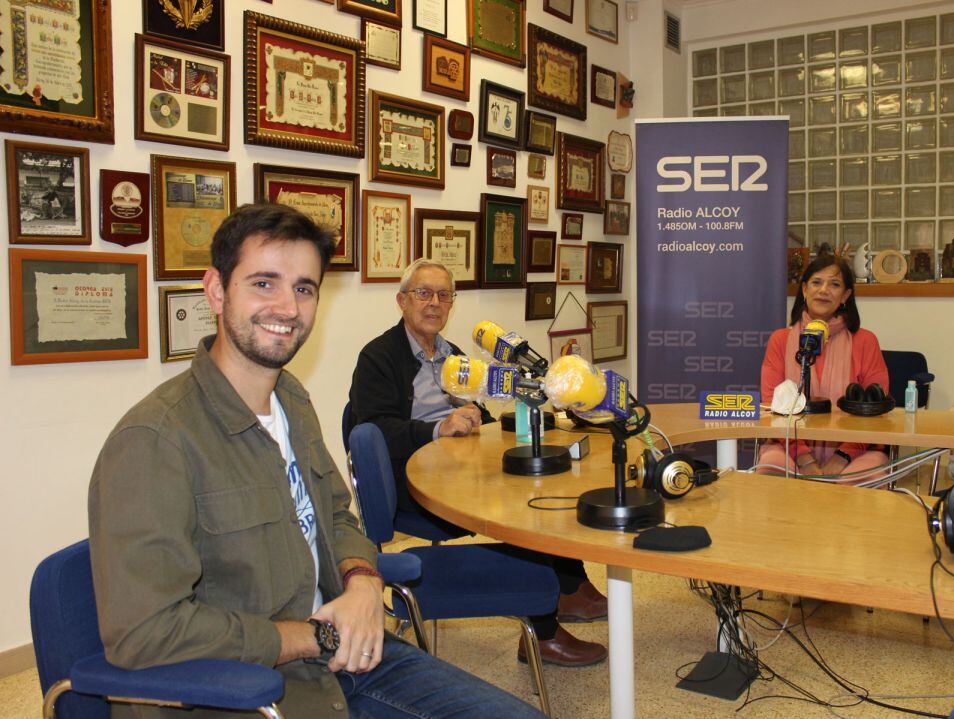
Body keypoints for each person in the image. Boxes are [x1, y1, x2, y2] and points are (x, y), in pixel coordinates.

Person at [88, 204, 548, 719]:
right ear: (216, 290)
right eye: (264, 283)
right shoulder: (154, 440)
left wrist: (362, 581)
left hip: (347, 654)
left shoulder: (292, 400)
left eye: (304, 288)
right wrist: (312, 636)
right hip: (246, 688)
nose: (287, 307)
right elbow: (143, 635)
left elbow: (336, 515)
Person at [348, 259, 608, 667]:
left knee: (542, 484)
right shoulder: (378, 357)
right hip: (414, 486)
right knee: (527, 511)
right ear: (402, 301)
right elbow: (377, 430)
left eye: (444, 295)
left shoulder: (453, 356)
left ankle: (568, 585)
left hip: (461, 469)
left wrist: (514, 417)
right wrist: (437, 430)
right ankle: (543, 632)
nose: (434, 303)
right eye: (423, 293)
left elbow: (478, 413)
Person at [758, 254, 890, 479]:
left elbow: (875, 412)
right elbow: (772, 407)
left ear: (845, 295)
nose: (824, 290)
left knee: (866, 476)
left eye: (835, 284)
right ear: (804, 290)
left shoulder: (866, 341)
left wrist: (842, 456)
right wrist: (803, 457)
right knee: (772, 469)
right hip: (787, 445)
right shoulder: (780, 340)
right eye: (817, 282)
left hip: (855, 451)